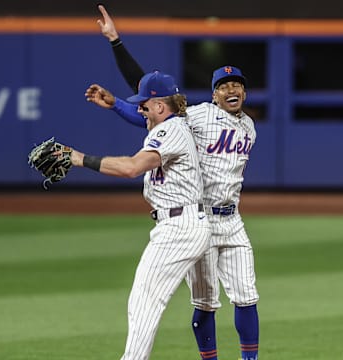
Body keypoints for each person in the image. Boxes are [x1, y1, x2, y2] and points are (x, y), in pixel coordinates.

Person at [86, 5, 260, 360]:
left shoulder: (249, 127)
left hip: (233, 218)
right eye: (224, 85)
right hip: (201, 218)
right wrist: (116, 45)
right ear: (213, 94)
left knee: (247, 295)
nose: (231, 90)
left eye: (237, 85)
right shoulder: (195, 116)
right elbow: (151, 103)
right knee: (207, 301)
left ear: (244, 92)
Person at [72, 70, 211, 360]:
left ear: (161, 106)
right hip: (184, 223)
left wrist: (78, 158)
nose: (140, 111)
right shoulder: (174, 126)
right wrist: (115, 105)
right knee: (193, 302)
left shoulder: (169, 130)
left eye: (144, 105)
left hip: (179, 228)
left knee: (145, 301)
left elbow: (131, 168)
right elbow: (142, 122)